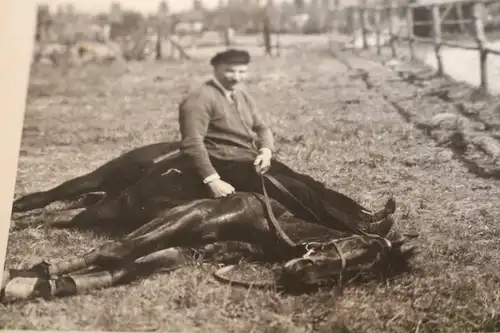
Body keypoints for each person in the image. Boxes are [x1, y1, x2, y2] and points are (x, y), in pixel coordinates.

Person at [177, 48, 394, 234]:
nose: (236, 76)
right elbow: (192, 143)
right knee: (295, 190)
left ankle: (366, 216)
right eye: (229, 71)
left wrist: (266, 151)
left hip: (251, 159)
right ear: (215, 69)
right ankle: (356, 229)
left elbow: (261, 127)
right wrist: (212, 180)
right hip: (225, 164)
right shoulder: (200, 98)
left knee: (308, 183)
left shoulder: (240, 94)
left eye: (241, 71)